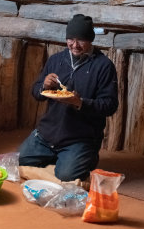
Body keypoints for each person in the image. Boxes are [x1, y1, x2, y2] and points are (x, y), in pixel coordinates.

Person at [18, 14, 118, 182]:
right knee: (23, 160)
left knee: (66, 175)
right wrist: (44, 85)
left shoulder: (104, 66)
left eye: (81, 40)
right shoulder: (57, 59)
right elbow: (36, 92)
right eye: (70, 39)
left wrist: (80, 103)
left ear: (91, 40)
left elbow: (110, 105)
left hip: (80, 137)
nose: (75, 45)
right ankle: (62, 158)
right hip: (47, 134)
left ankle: (85, 157)